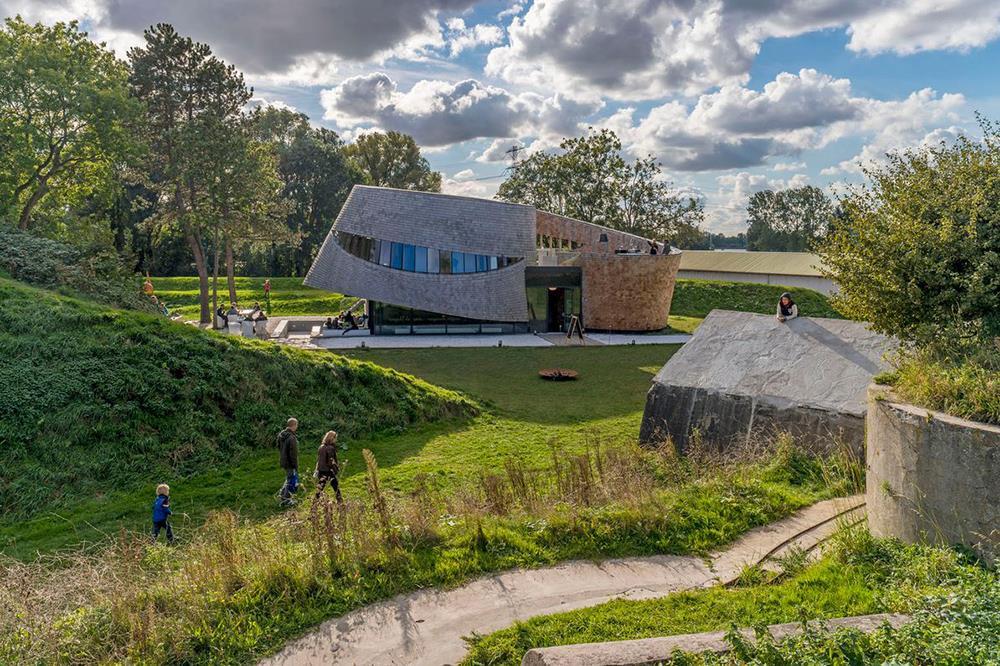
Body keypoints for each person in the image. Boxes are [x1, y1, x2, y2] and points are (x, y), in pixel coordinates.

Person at [315, 430, 343, 503]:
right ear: (332, 438)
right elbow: (331, 461)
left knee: (320, 487)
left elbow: (318, 460)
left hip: (321, 470)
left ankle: (315, 502)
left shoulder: (321, 447)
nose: (336, 440)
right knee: (335, 486)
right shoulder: (330, 448)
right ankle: (340, 501)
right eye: (335, 438)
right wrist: (336, 470)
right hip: (328, 470)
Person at [277, 418, 299, 505]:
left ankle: (282, 495)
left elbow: (278, 447)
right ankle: (286, 499)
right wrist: (295, 465)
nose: (297, 427)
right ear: (294, 425)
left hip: (283, 460)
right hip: (290, 463)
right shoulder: (292, 438)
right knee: (291, 481)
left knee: (288, 478)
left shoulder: (281, 435)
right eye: (296, 425)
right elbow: (293, 454)